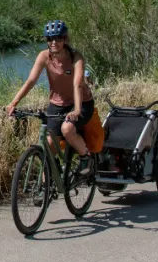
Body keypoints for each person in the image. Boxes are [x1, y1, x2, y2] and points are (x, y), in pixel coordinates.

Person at [6, 20, 95, 174]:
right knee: (48, 145)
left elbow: (77, 85)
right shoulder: (44, 56)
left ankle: (85, 157)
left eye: (58, 38)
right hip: (57, 104)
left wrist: (77, 110)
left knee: (67, 129)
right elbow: (31, 80)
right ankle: (46, 186)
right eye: (50, 39)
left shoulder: (76, 57)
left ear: (65, 39)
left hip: (81, 102)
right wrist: (14, 102)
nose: (54, 42)